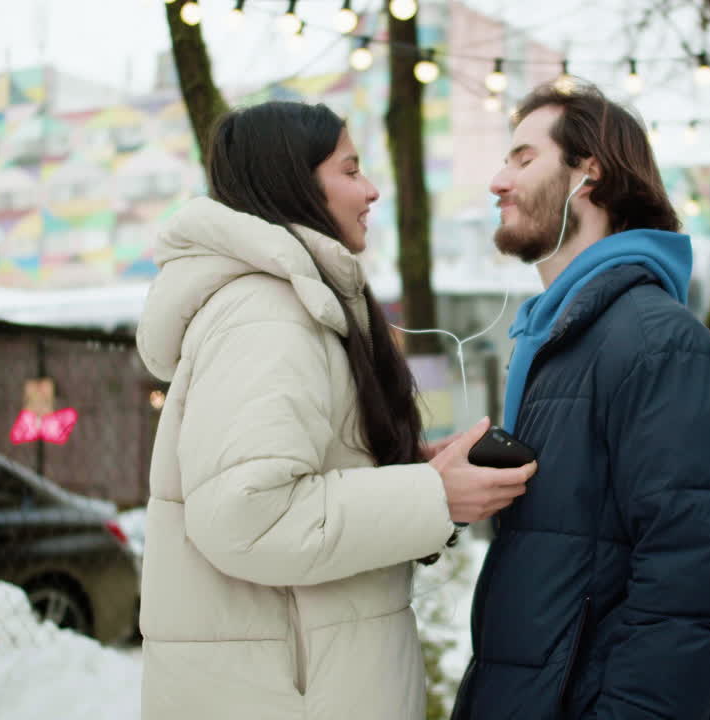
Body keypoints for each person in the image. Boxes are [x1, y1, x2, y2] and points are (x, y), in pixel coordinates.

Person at [134, 101, 536, 720]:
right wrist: (430, 496)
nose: (371, 190)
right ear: (293, 182)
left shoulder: (287, 305)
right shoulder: (268, 315)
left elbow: (288, 479)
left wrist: (409, 471)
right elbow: (249, 515)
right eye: (351, 171)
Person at [450, 81, 710, 720]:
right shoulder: (555, 340)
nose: (498, 182)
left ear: (588, 172)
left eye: (523, 159)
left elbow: (692, 589)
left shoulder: (658, 345)